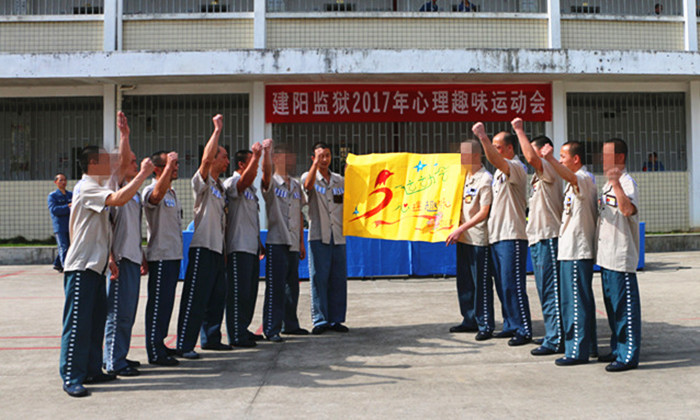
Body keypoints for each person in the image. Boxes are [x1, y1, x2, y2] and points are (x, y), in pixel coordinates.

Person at [59, 146, 153, 397]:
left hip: (96, 266)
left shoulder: (98, 187)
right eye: (105, 159)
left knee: (95, 322)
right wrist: (142, 174)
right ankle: (71, 376)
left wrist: (109, 257)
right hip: (81, 266)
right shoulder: (86, 187)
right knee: (77, 325)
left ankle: (91, 369)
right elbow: (119, 198)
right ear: (92, 163)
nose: (112, 162)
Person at [176, 114, 232, 359]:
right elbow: (206, 158)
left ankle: (211, 339)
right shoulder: (202, 183)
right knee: (195, 297)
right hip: (202, 247)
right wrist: (216, 130)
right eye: (224, 156)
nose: (227, 161)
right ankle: (184, 344)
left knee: (216, 296)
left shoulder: (220, 188)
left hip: (217, 249)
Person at [472, 123, 532, 346]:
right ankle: (510, 324)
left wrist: (481, 136)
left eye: (498, 146)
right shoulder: (498, 173)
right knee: (502, 284)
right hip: (497, 236)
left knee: (512, 284)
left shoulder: (516, 167)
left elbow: (495, 160)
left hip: (512, 235)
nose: (494, 150)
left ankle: (523, 328)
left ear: (508, 148)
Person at [540, 141, 598, 366]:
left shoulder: (584, 178)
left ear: (576, 159)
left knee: (575, 302)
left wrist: (551, 160)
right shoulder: (573, 183)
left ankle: (576, 351)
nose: (560, 160)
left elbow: (571, 177)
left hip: (577, 250)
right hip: (569, 250)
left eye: (563, 156)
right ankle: (589, 345)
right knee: (577, 300)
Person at [512, 118, 564, 356]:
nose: (526, 155)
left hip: (549, 237)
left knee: (551, 290)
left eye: (530, 150)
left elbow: (532, 159)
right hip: (538, 238)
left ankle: (556, 339)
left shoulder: (549, 168)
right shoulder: (537, 177)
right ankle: (554, 334)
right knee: (544, 290)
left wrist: (519, 130)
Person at [103, 112, 149, 377]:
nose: (133, 163)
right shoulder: (116, 185)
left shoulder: (133, 195)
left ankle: (120, 354)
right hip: (119, 258)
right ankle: (112, 361)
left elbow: (134, 227)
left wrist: (141, 254)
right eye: (130, 160)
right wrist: (125, 136)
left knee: (128, 313)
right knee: (117, 312)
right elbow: (109, 226)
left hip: (132, 257)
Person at [596, 138, 642, 372]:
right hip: (606, 256)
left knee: (625, 309)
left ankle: (628, 355)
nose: (603, 160)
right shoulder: (606, 185)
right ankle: (617, 349)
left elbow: (627, 210)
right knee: (613, 309)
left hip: (621, 257)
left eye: (608, 156)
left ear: (621, 158)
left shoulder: (626, 182)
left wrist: (616, 184)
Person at [445, 139, 494, 340]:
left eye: (464, 154)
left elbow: (484, 212)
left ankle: (485, 323)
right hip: (462, 238)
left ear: (476, 155)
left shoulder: (485, 179)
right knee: (464, 282)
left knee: (480, 283)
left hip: (478, 238)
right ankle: (469, 319)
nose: (461, 158)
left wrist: (461, 228)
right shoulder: (463, 177)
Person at [261, 140, 307, 342]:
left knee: (292, 285)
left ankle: (291, 324)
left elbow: (299, 212)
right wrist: (265, 152)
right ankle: (272, 328)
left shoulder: (296, 185)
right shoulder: (271, 182)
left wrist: (301, 242)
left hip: (293, 241)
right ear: (277, 159)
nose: (292, 160)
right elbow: (265, 174)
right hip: (277, 240)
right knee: (276, 286)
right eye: (287, 156)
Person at [302, 142, 349, 335]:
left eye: (327, 155)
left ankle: (336, 319)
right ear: (313, 158)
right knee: (319, 278)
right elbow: (307, 186)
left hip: (338, 236)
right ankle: (320, 320)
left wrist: (351, 172)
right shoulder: (309, 176)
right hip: (318, 236)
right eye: (320, 156)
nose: (324, 159)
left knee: (338, 279)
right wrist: (314, 167)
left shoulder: (339, 181)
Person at [224, 144, 266, 347]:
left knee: (249, 293)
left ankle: (244, 328)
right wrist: (258, 156)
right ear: (241, 164)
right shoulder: (233, 182)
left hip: (251, 246)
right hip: (238, 246)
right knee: (238, 293)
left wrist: (259, 242)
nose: (255, 167)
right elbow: (243, 181)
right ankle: (236, 334)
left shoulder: (252, 190)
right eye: (251, 162)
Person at [143, 149, 182, 367]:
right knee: (157, 304)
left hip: (173, 255)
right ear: (158, 169)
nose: (176, 168)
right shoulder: (151, 190)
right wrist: (168, 167)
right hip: (160, 255)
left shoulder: (172, 193)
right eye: (170, 165)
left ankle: (161, 343)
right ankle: (154, 350)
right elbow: (155, 198)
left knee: (166, 304)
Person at [48, 173, 72, 273]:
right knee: (64, 246)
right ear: (56, 182)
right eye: (60, 180)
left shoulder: (71, 194)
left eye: (64, 180)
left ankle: (57, 264)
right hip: (60, 226)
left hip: (70, 225)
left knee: (69, 246)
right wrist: (68, 207)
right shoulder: (52, 196)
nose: (63, 182)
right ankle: (65, 267)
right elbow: (54, 210)